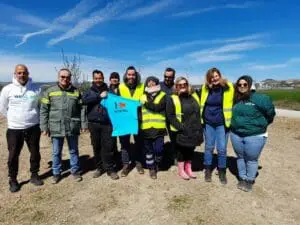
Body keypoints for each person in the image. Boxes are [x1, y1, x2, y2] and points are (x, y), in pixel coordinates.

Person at [0, 64, 43, 192]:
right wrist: (14, 119)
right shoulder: (8, 89)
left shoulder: (36, 89)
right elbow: (2, 107)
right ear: (15, 74)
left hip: (33, 127)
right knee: (13, 155)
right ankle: (13, 179)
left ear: (28, 73)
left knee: (35, 152)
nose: (22, 75)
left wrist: (35, 118)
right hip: (14, 129)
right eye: (19, 73)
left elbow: (40, 106)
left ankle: (34, 175)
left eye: (24, 72)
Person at [40, 68, 87, 184]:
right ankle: (56, 173)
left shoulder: (76, 92)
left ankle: (75, 171)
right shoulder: (49, 91)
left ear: (70, 78)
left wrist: (83, 124)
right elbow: (44, 110)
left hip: (72, 126)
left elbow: (82, 109)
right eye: (62, 77)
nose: (65, 79)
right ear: (58, 77)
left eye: (67, 77)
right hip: (56, 126)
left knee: (73, 150)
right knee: (56, 151)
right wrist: (44, 127)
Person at [230, 75, 275, 192]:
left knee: (251, 159)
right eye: (239, 85)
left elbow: (270, 114)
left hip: (255, 136)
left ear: (250, 85)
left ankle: (249, 180)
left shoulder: (261, 99)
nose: (242, 87)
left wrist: (260, 125)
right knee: (240, 157)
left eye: (245, 84)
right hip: (236, 134)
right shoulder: (236, 99)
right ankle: (242, 177)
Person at [82, 70, 119, 180]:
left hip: (107, 123)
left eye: (100, 78)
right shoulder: (89, 91)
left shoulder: (109, 90)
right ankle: (99, 168)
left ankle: (110, 169)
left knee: (109, 147)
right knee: (96, 146)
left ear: (103, 78)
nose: (98, 80)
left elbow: (117, 103)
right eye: (96, 78)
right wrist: (99, 96)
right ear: (93, 79)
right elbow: (84, 101)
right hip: (93, 123)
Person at [200, 67, 234, 184]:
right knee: (209, 147)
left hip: (222, 123)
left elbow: (237, 98)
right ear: (208, 79)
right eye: (211, 77)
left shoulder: (228, 87)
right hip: (208, 122)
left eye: (216, 76)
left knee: (222, 149)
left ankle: (222, 171)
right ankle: (208, 170)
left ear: (219, 75)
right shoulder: (205, 88)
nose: (214, 79)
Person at [166, 77, 203, 180]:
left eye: (184, 84)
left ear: (188, 85)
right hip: (181, 129)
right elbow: (170, 116)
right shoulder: (172, 98)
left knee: (191, 149)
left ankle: (188, 168)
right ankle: (181, 170)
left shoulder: (194, 95)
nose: (182, 86)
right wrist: (181, 127)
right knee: (181, 150)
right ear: (176, 86)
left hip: (194, 128)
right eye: (180, 84)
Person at [117, 66, 145, 177]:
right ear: (126, 75)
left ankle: (138, 163)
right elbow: (117, 103)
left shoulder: (142, 86)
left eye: (133, 74)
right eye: (129, 74)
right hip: (124, 120)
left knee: (139, 143)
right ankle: (126, 165)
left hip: (139, 119)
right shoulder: (120, 87)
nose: (131, 77)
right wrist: (129, 105)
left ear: (136, 75)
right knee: (124, 144)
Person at [140, 76, 167, 179]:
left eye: (153, 82)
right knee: (149, 151)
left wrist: (146, 104)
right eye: (149, 82)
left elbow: (158, 107)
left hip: (159, 128)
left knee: (159, 149)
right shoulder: (142, 96)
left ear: (157, 84)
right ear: (146, 84)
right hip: (146, 128)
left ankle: (158, 162)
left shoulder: (163, 95)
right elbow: (138, 111)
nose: (151, 84)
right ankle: (151, 168)